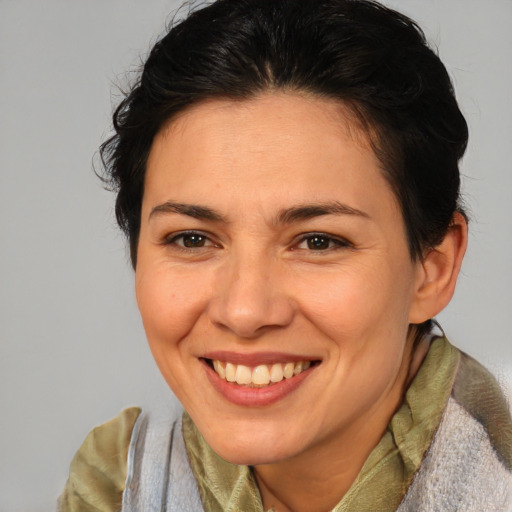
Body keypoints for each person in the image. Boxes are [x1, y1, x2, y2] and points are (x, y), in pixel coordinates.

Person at [59, 0, 512, 510]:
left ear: (433, 268)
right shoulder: (120, 479)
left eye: (318, 241)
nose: (245, 311)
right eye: (192, 239)